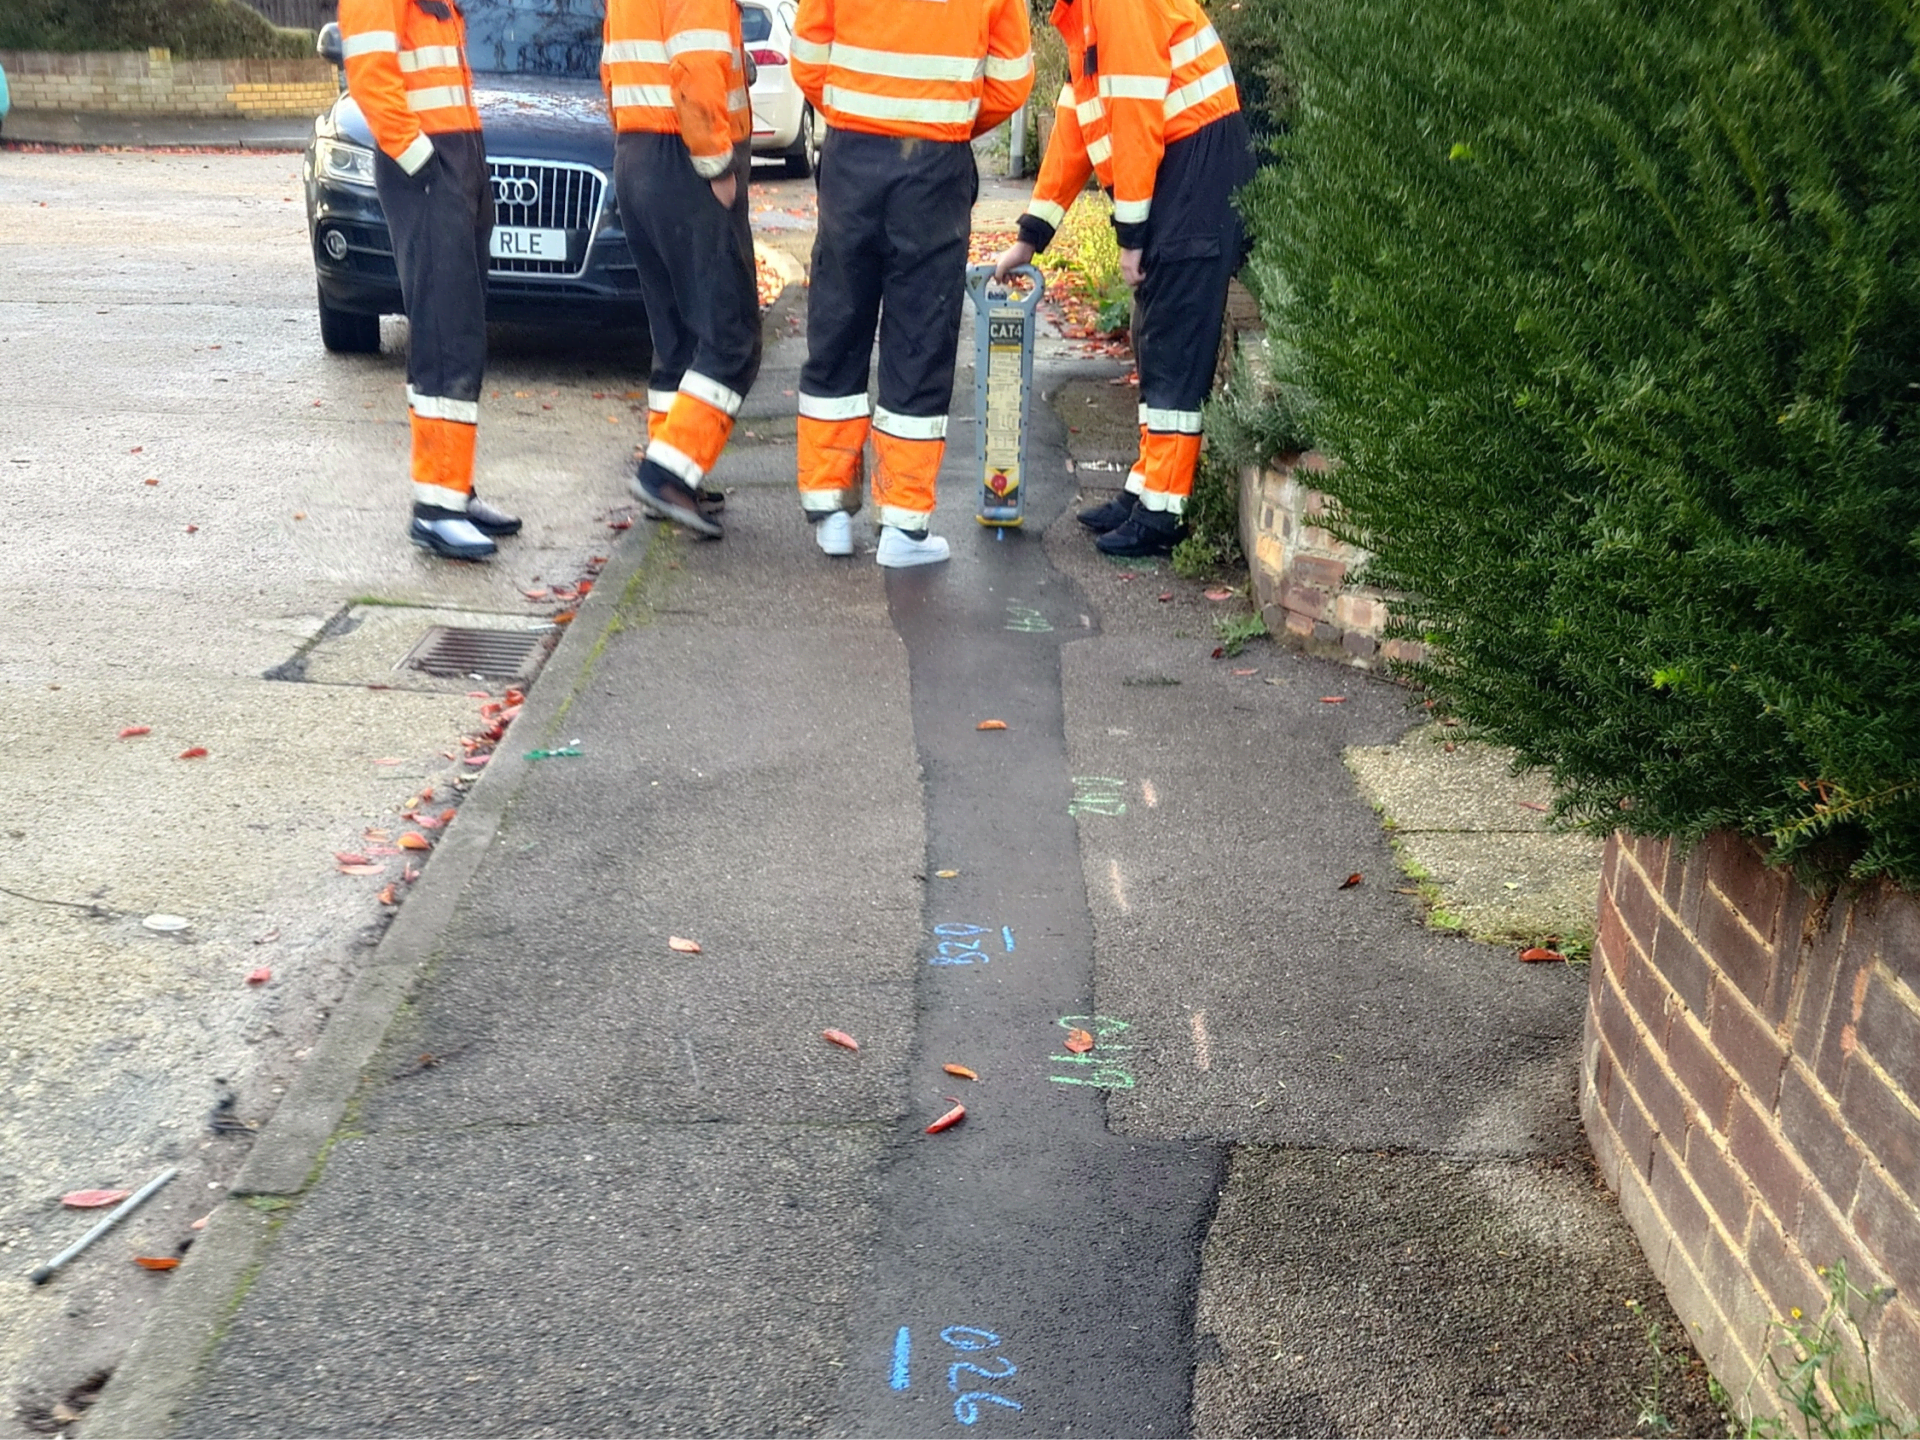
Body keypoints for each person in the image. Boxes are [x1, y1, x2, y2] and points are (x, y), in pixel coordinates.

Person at [997, 0, 1254, 557]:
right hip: (1183, 168)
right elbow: (1076, 124)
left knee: (1173, 340)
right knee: (1153, 335)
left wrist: (1131, 238)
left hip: (1197, 169)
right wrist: (1032, 232)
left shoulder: (1117, 7)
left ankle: (1164, 514)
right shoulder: (1084, 16)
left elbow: (1136, 123)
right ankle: (1147, 488)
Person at [790, 0, 1034, 566]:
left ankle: (830, 513)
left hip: (852, 156)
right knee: (920, 338)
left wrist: (857, 114)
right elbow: (1012, 78)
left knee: (838, 325)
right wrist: (945, 119)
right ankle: (902, 527)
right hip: (934, 163)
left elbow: (807, 56)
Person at [338, 0, 521, 560]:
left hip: (456, 156)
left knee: (460, 330)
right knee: (444, 335)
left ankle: (453, 490)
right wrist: (423, 164)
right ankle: (436, 510)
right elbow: (371, 76)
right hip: (427, 165)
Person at [604, 0, 760, 539]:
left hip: (637, 152)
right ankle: (666, 472)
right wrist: (715, 162)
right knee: (730, 335)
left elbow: (613, 73)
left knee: (676, 337)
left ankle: (669, 473)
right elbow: (695, 66)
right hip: (683, 160)